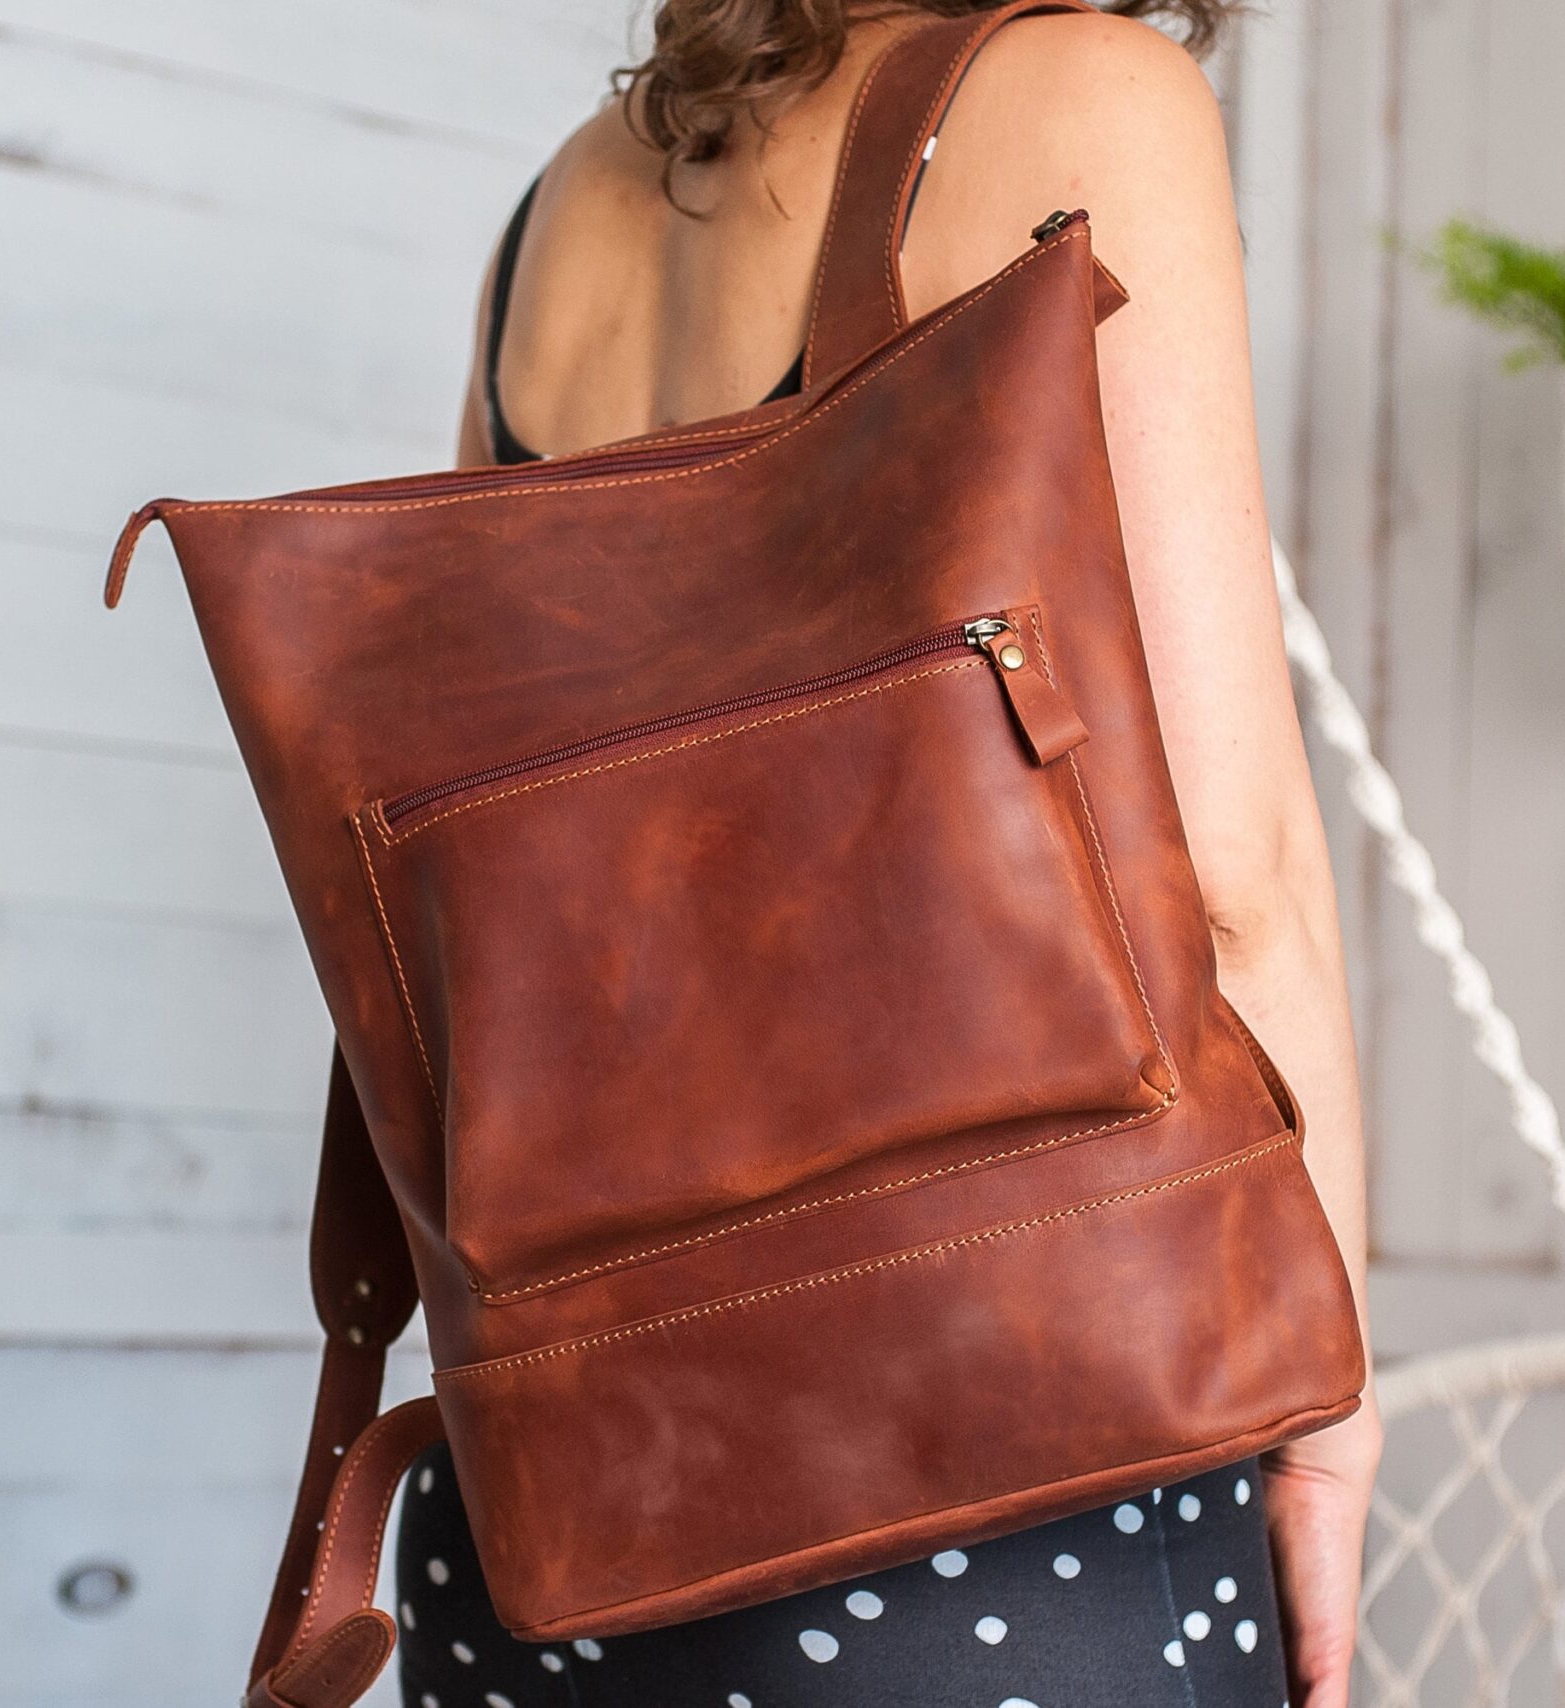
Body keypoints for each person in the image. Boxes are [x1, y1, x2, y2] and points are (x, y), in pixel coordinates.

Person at [395, 4, 1379, 1705]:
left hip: (541, 1516)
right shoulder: (1088, 95)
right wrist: (1328, 1408)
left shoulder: (554, 218)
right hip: (998, 1502)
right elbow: (1228, 870)